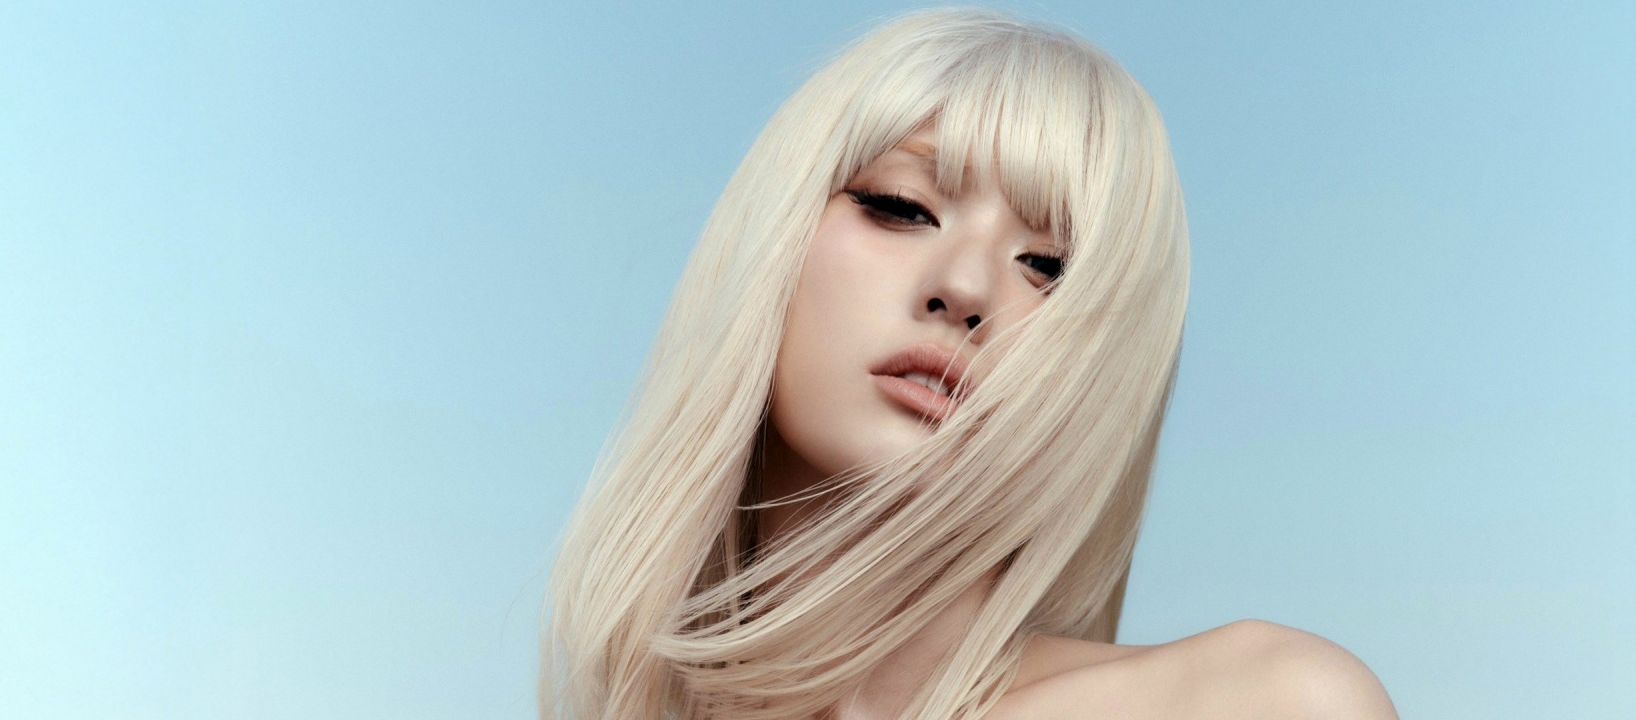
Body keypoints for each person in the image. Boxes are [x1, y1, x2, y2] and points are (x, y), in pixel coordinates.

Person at [541, 8, 1397, 720]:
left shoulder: (1262, 702)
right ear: (772, 241)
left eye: (1049, 267)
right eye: (901, 207)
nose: (964, 288)